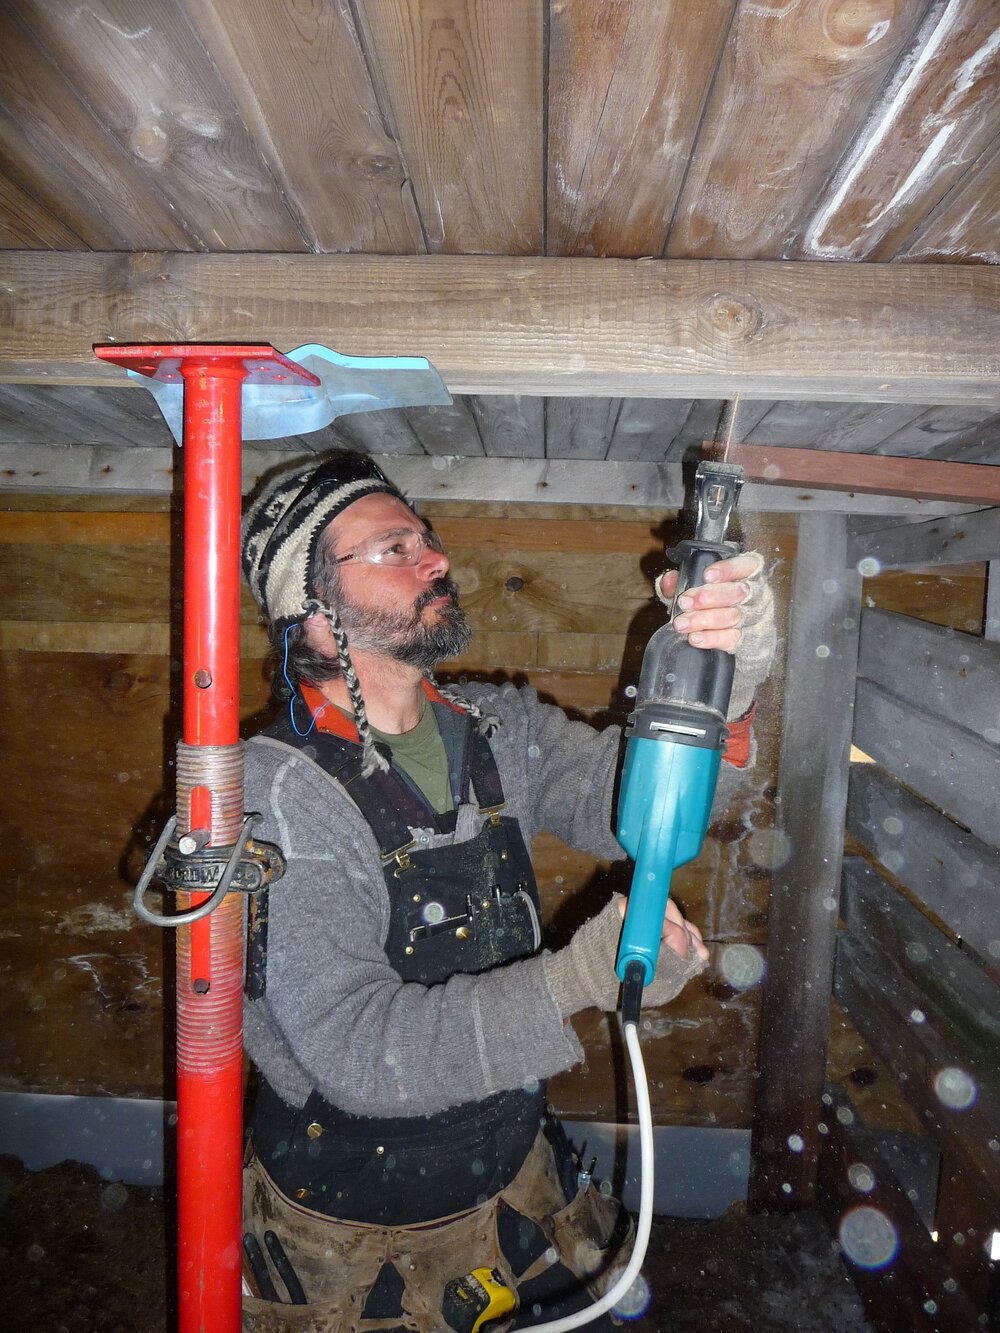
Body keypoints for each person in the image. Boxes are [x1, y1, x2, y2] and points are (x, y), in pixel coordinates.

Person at [238, 452, 776, 1332]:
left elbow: (638, 812)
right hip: (354, 1233)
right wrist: (576, 982)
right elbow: (359, 1050)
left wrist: (725, 677)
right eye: (393, 546)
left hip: (508, 1178)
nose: (435, 558)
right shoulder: (281, 792)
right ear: (315, 611)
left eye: (426, 537)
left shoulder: (496, 728)